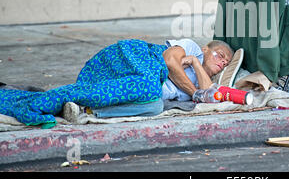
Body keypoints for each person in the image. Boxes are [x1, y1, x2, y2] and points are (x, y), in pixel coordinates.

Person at [0, 38, 234, 126]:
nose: (222, 62)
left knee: (154, 106)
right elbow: (170, 64)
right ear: (205, 49)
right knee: (148, 87)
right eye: (219, 55)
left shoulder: (197, 66)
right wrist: (193, 65)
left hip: (141, 90)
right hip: (134, 59)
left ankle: (87, 110)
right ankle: (65, 96)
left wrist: (195, 65)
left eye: (226, 62)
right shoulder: (191, 46)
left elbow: (205, 94)